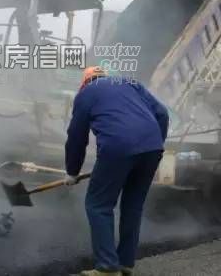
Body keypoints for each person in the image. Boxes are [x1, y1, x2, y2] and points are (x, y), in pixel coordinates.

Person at [64, 67, 169, 276]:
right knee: (133, 206)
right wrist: (154, 142)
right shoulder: (130, 83)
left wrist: (72, 172)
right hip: (152, 148)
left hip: (118, 147)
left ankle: (107, 267)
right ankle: (125, 263)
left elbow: (76, 137)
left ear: (85, 82)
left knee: (98, 205)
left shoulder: (86, 93)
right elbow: (162, 113)